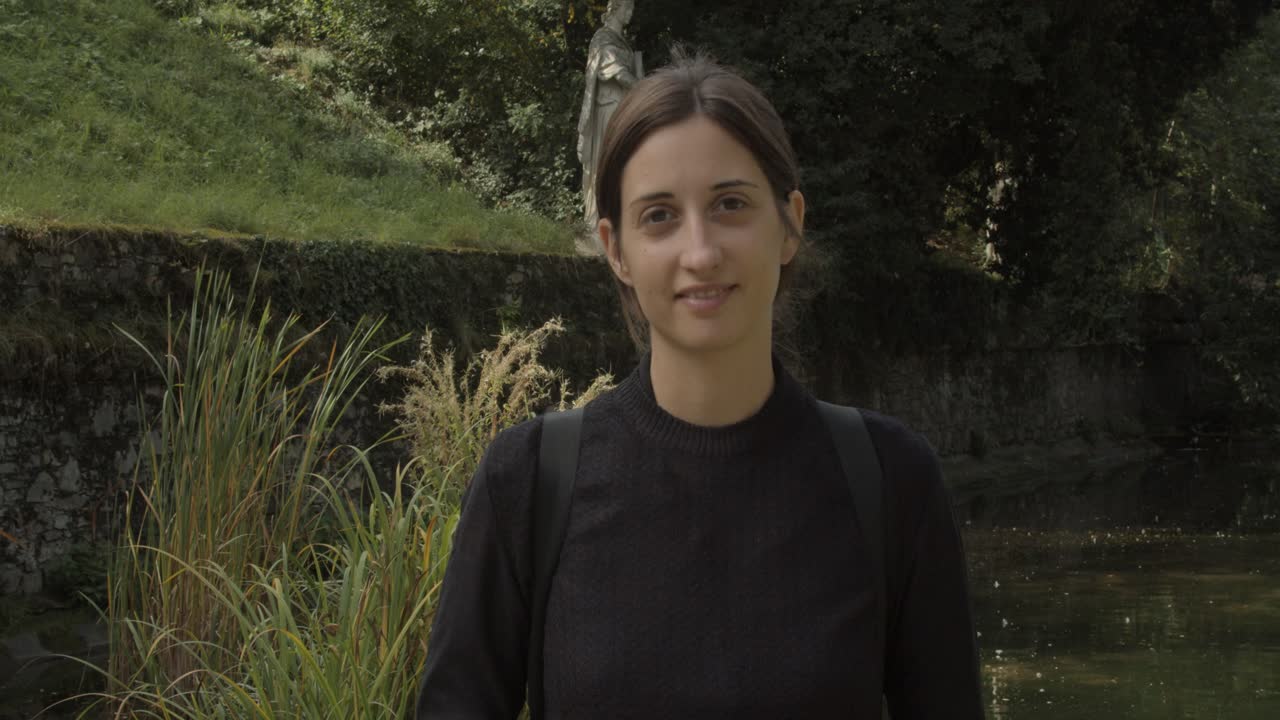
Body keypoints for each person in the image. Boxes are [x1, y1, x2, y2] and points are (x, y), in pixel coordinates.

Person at [415, 50, 985, 719]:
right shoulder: (530, 484)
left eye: (730, 205)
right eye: (659, 215)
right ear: (616, 248)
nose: (701, 252)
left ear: (789, 224)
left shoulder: (890, 480)